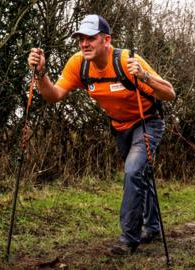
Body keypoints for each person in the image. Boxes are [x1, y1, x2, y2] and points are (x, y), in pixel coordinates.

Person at [27, 14, 175, 255]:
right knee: (139, 174)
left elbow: (170, 93)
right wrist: (41, 74)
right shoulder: (78, 64)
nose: (84, 44)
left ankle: (129, 238)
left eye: (91, 38)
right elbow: (53, 96)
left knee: (133, 170)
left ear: (107, 40)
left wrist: (144, 76)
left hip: (148, 122)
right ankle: (153, 227)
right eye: (81, 39)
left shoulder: (127, 61)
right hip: (119, 126)